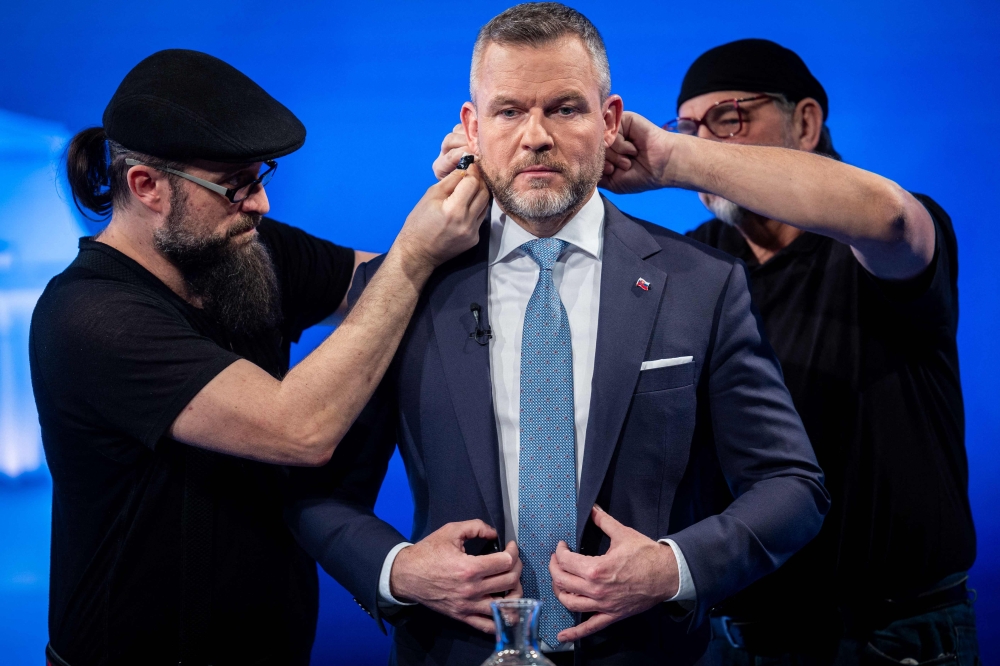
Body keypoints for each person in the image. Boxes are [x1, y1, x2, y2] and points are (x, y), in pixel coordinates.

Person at [288, 6, 829, 665]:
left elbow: (792, 486)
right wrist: (398, 570)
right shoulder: (407, 282)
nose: (535, 137)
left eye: (565, 109)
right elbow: (314, 490)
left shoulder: (704, 282)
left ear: (608, 120)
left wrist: (672, 568)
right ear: (472, 127)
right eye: (509, 111)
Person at [437, 38, 979, 665]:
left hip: (894, 635)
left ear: (805, 121)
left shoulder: (872, 248)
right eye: (688, 125)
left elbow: (885, 216)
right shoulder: (691, 270)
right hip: (738, 634)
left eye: (729, 118)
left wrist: (671, 155)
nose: (706, 140)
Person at [30, 49, 488, 666]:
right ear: (146, 187)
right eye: (235, 186)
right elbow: (298, 428)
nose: (260, 205)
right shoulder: (89, 317)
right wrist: (414, 253)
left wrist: (477, 178)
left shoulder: (241, 247)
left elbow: (381, 293)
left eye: (260, 177)